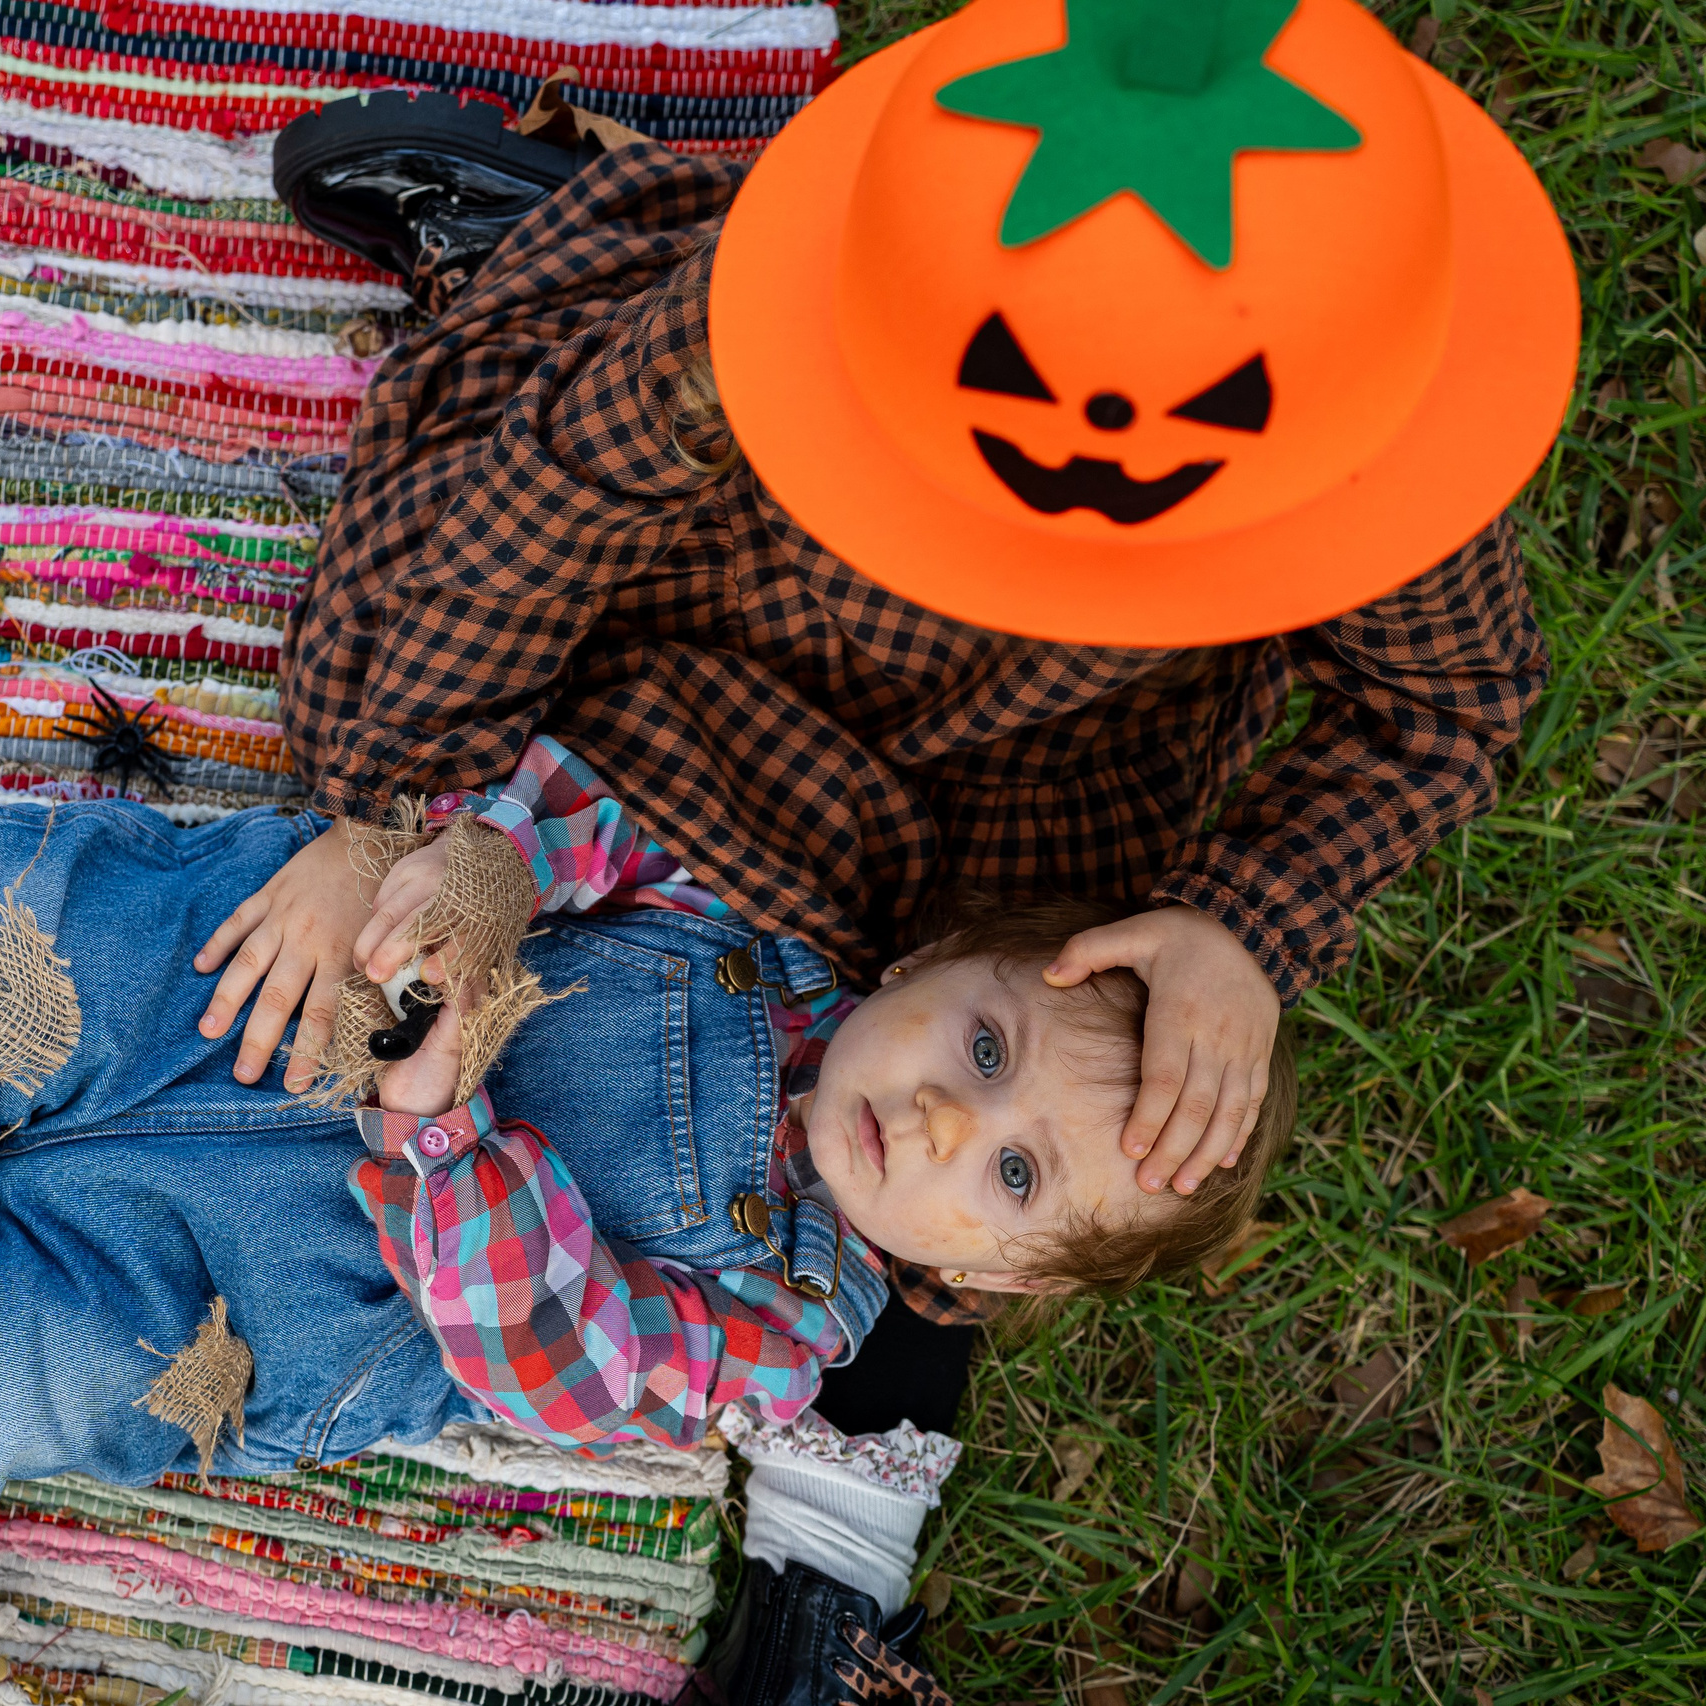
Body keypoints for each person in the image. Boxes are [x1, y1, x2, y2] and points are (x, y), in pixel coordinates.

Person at [210, 2, 1578, 1697]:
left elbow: (1450, 707)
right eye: (1047, 410)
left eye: (1181, 438)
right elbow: (526, 526)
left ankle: (832, 1549)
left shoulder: (1321, 429)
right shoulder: (771, 351)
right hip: (694, 677)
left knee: (1024, 1147)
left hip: (1018, 823)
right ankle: (546, 236)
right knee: (401, 673)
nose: (1087, 484)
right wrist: (392, 811)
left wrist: (1240, 927)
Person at [0, 775, 1292, 1704]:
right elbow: (577, 803)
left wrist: (444, 1125)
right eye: (986, 1040)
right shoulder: (751, 908)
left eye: (1009, 1171)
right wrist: (474, 869)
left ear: (985, 1280)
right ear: (941, 963)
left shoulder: (769, 1331)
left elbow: (540, 1358)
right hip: (199, 987)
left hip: (201, 1301)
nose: (947, 1110)